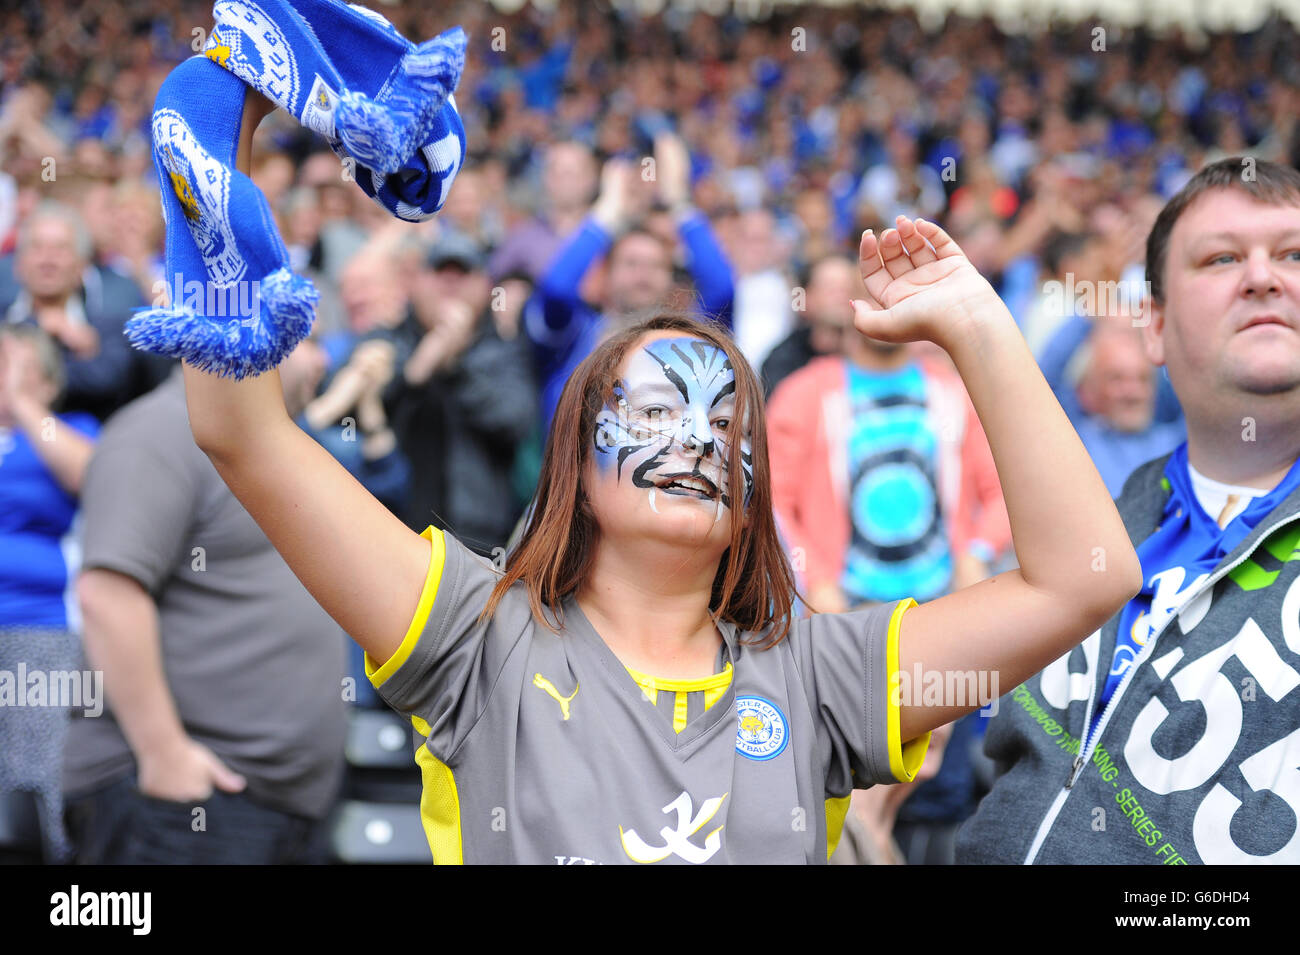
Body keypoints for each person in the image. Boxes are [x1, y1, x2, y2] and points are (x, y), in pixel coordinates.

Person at [179, 97, 1140, 864]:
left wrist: (976, 324)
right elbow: (246, 435)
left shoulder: (823, 674)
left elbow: (1085, 578)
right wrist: (214, 121)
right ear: (572, 465)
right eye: (650, 413)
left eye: (726, 423)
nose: (695, 439)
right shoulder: (473, 636)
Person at [957, 157, 1300, 865]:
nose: (1264, 276)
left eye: (1295, 254)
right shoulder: (1082, 540)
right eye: (1221, 257)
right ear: (1155, 327)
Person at [62, 345, 347, 865]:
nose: (322, 358)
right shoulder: (162, 429)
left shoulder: (272, 451)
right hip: (180, 807)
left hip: (267, 810)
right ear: (251, 336)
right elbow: (107, 593)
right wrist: (163, 753)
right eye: (306, 338)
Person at [767, 253, 1010, 614]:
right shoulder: (801, 395)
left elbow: (1003, 489)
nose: (886, 305)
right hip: (844, 613)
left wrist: (978, 553)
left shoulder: (956, 392)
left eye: (899, 295)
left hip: (943, 605)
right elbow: (773, 506)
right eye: (873, 293)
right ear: (849, 303)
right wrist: (814, 580)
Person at [527, 132, 735, 430]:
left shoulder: (690, 339)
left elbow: (722, 288)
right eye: (631, 263)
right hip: (576, 476)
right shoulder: (575, 332)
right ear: (607, 274)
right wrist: (607, 213)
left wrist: (678, 200)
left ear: (669, 278)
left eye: (655, 265)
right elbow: (557, 289)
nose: (643, 274)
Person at [0, 324, 98, 862]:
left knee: (36, 772)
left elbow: (90, 476)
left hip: (39, 627)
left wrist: (19, 401)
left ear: (46, 379)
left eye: (12, 363)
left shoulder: (71, 430)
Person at [1037, 311, 1184, 497]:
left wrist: (1158, 320)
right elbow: (1041, 381)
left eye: (1142, 379)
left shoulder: (1178, 443)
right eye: (1117, 379)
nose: (1131, 392)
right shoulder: (1077, 440)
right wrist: (1090, 310)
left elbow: (1195, 380)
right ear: (1093, 388)